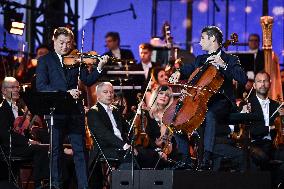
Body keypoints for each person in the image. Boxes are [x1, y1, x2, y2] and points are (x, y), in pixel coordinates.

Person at [36, 27, 108, 189]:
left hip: (75, 112)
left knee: (80, 151)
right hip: (56, 112)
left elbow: (88, 80)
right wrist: (65, 93)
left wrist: (99, 67)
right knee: (55, 151)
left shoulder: (76, 59)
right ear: (54, 41)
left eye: (68, 43)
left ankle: (84, 186)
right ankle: (56, 184)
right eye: (61, 43)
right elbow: (41, 86)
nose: (65, 47)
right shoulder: (45, 60)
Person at [179, 26, 248, 169]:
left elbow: (242, 78)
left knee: (209, 114)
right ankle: (185, 159)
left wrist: (224, 65)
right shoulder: (200, 59)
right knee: (178, 117)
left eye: (202, 38)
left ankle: (206, 157)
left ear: (212, 39)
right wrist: (178, 72)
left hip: (222, 101)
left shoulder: (230, 58)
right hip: (203, 100)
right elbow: (188, 68)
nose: (199, 42)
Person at [0, 77, 49, 189]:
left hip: (22, 145)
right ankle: (38, 184)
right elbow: (5, 135)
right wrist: (29, 141)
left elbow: (23, 132)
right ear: (3, 90)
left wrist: (31, 129)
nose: (17, 90)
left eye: (18, 87)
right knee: (40, 149)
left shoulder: (20, 109)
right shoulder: (2, 110)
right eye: (12, 87)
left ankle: (47, 182)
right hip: (10, 148)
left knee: (47, 147)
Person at [240, 71, 284, 187]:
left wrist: (282, 118)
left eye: (265, 81)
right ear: (254, 85)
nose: (262, 84)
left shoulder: (276, 105)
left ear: (269, 83)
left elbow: (281, 129)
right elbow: (253, 131)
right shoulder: (248, 104)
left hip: (273, 144)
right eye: (259, 81)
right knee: (262, 157)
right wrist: (272, 127)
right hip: (255, 143)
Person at [136, 85, 191, 169]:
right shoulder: (147, 114)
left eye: (167, 95)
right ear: (156, 95)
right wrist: (139, 113)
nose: (164, 96)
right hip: (152, 149)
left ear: (169, 99)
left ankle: (183, 164)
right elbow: (146, 136)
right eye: (161, 93)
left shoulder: (172, 115)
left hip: (170, 150)